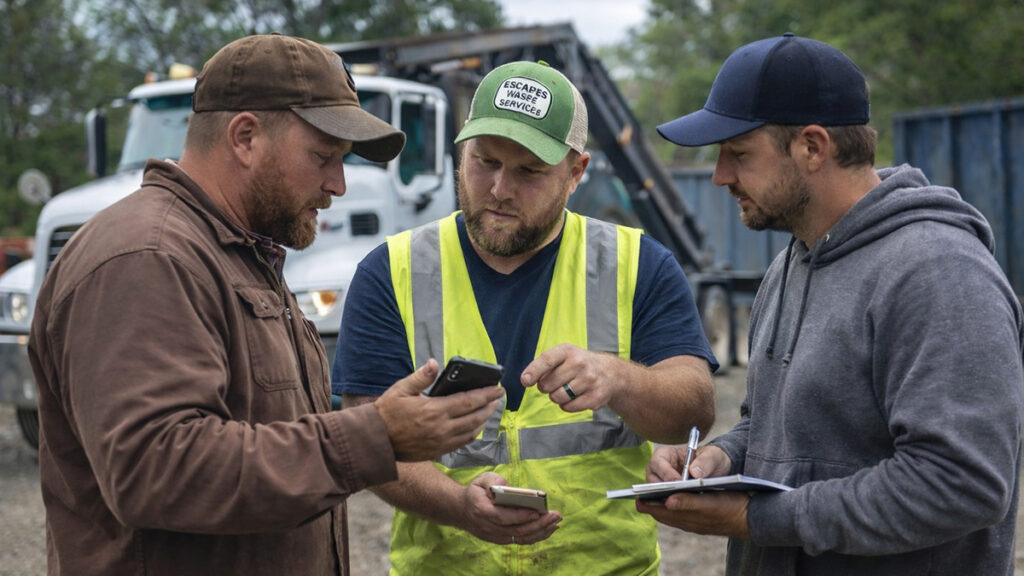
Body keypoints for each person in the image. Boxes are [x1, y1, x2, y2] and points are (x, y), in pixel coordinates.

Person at [28, 33, 504, 576]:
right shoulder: (148, 257)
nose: (338, 185)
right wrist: (375, 434)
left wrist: (376, 429)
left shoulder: (236, 252)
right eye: (323, 157)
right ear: (245, 138)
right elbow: (156, 469)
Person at [644, 33, 1024, 575]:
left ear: (813, 147)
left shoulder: (939, 273)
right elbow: (775, 427)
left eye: (738, 153)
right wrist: (720, 458)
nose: (720, 175)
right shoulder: (790, 263)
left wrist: (759, 518)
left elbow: (961, 483)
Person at [333, 60, 718, 574]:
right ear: (461, 152)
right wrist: (458, 505)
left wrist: (619, 378)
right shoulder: (390, 271)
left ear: (576, 172)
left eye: (529, 171)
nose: (499, 189)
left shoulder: (638, 264)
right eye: (484, 161)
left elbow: (694, 410)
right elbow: (368, 441)